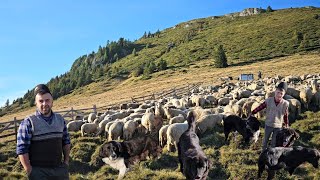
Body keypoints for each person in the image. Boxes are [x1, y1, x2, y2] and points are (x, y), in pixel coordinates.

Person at [16, 84, 71, 180]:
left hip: (59, 170)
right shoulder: (28, 122)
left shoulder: (60, 119)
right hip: (38, 173)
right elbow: (22, 149)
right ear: (36, 103)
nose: (44, 104)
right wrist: (29, 170)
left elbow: (66, 141)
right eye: (41, 101)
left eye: (47, 100)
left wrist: (66, 163)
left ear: (52, 101)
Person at [250, 82, 289, 150]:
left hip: (278, 126)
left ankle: (271, 155)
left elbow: (285, 114)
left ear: (284, 94)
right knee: (265, 140)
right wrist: (253, 112)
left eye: (281, 93)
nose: (279, 95)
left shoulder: (285, 104)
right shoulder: (269, 100)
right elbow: (261, 107)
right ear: (275, 91)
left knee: (274, 142)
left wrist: (286, 124)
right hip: (269, 124)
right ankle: (263, 152)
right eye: (278, 92)